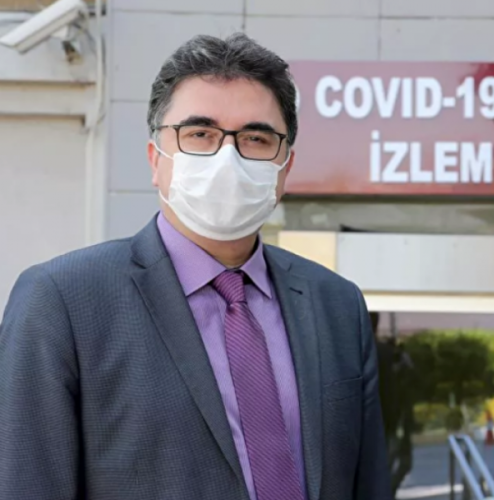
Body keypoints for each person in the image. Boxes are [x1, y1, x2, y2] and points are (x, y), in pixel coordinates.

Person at [0, 33, 391, 500]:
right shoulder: (62, 302)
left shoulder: (336, 305)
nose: (228, 157)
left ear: (284, 168)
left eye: (256, 138)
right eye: (200, 134)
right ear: (156, 160)